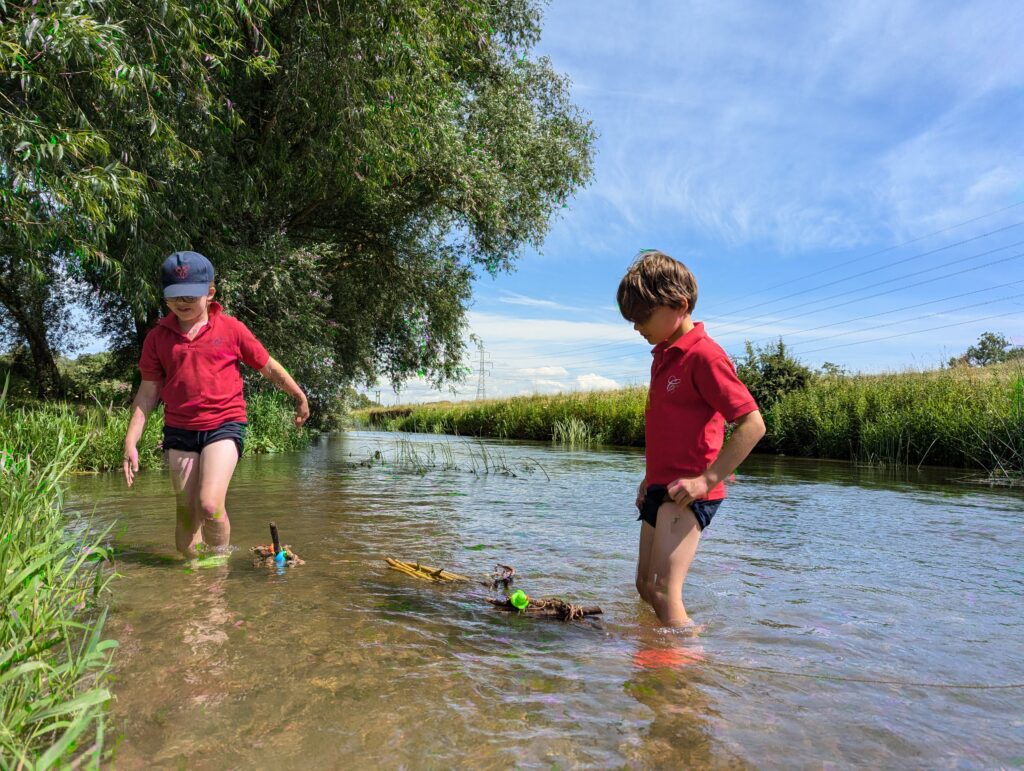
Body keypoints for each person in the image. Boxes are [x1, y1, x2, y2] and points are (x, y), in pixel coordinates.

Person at [122, 251, 310, 557]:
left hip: (224, 425)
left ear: (210, 293)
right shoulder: (158, 338)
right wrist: (131, 440)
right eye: (173, 296)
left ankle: (218, 566)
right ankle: (191, 573)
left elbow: (269, 367)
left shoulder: (231, 329)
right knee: (186, 510)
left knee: (209, 504)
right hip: (180, 430)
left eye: (190, 295)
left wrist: (298, 396)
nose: (181, 302)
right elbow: (147, 394)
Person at [617, 250, 765, 626]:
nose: (637, 327)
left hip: (687, 491)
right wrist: (648, 478)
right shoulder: (662, 357)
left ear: (679, 305)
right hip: (659, 486)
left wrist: (707, 480)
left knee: (666, 590)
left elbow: (752, 423)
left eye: (642, 316)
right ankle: (655, 656)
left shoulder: (705, 356)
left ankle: (685, 677)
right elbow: (669, 431)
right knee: (645, 586)